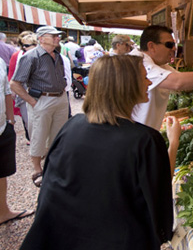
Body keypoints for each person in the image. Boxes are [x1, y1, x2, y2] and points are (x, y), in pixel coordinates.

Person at [20, 55, 182, 250]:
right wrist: (173, 143)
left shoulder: (71, 126)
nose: (149, 82)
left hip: (56, 237)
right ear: (125, 85)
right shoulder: (145, 139)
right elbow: (159, 192)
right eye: (144, 77)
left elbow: (51, 186)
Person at [10, 26, 69, 188]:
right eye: (54, 36)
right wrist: (32, 101)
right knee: (38, 134)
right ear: (41, 38)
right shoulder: (31, 57)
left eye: (58, 36)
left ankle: (53, 166)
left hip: (60, 98)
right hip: (42, 99)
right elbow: (15, 83)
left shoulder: (57, 55)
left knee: (57, 135)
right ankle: (37, 169)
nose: (58, 38)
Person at [0, 58, 34, 226]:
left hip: (2, 127)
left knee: (2, 172)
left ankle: (3, 211)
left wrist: (11, 122)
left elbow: (6, 91)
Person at [8, 33, 37, 141]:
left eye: (27, 45)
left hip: (38, 95)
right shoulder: (19, 56)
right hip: (25, 94)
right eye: (23, 45)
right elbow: (12, 76)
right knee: (28, 120)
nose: (24, 47)